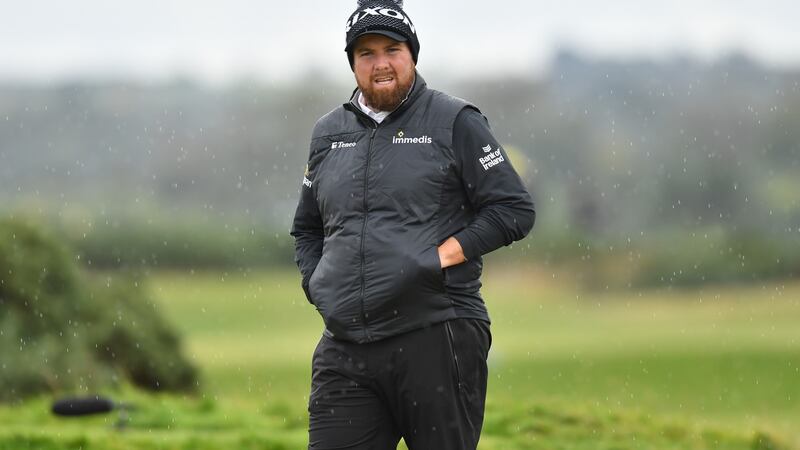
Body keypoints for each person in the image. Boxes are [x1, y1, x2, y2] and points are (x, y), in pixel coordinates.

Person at [290, 1, 535, 448]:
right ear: (352, 62)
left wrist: (434, 261)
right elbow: (307, 228)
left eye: (392, 49)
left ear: (412, 55)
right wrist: (318, 283)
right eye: (366, 52)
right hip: (345, 347)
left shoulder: (454, 121)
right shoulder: (328, 133)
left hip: (436, 334)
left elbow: (512, 210)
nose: (380, 63)